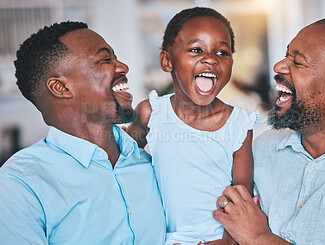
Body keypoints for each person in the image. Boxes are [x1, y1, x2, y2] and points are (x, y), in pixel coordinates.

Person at [212, 18, 325, 245]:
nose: (278, 66)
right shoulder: (263, 148)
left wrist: (258, 237)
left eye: (298, 63)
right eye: (286, 55)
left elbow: (248, 234)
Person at [0, 21, 165, 244]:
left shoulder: (154, 161)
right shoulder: (19, 184)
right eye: (105, 59)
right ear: (62, 87)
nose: (123, 67)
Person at [126, 7, 259, 245]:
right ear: (167, 61)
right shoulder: (151, 113)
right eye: (196, 50)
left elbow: (242, 198)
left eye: (222, 52)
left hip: (220, 239)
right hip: (162, 239)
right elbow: (127, 164)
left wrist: (226, 243)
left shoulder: (238, 124)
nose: (211, 59)